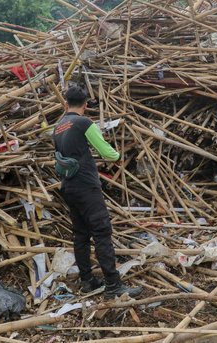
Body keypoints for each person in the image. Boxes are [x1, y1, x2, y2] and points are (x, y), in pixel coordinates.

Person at [53, 85, 142, 298]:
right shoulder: (84, 123)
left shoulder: (58, 126)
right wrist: (118, 153)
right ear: (85, 104)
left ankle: (87, 281)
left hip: (69, 186)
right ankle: (113, 285)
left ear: (66, 103)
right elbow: (108, 154)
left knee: (81, 234)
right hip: (86, 186)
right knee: (102, 232)